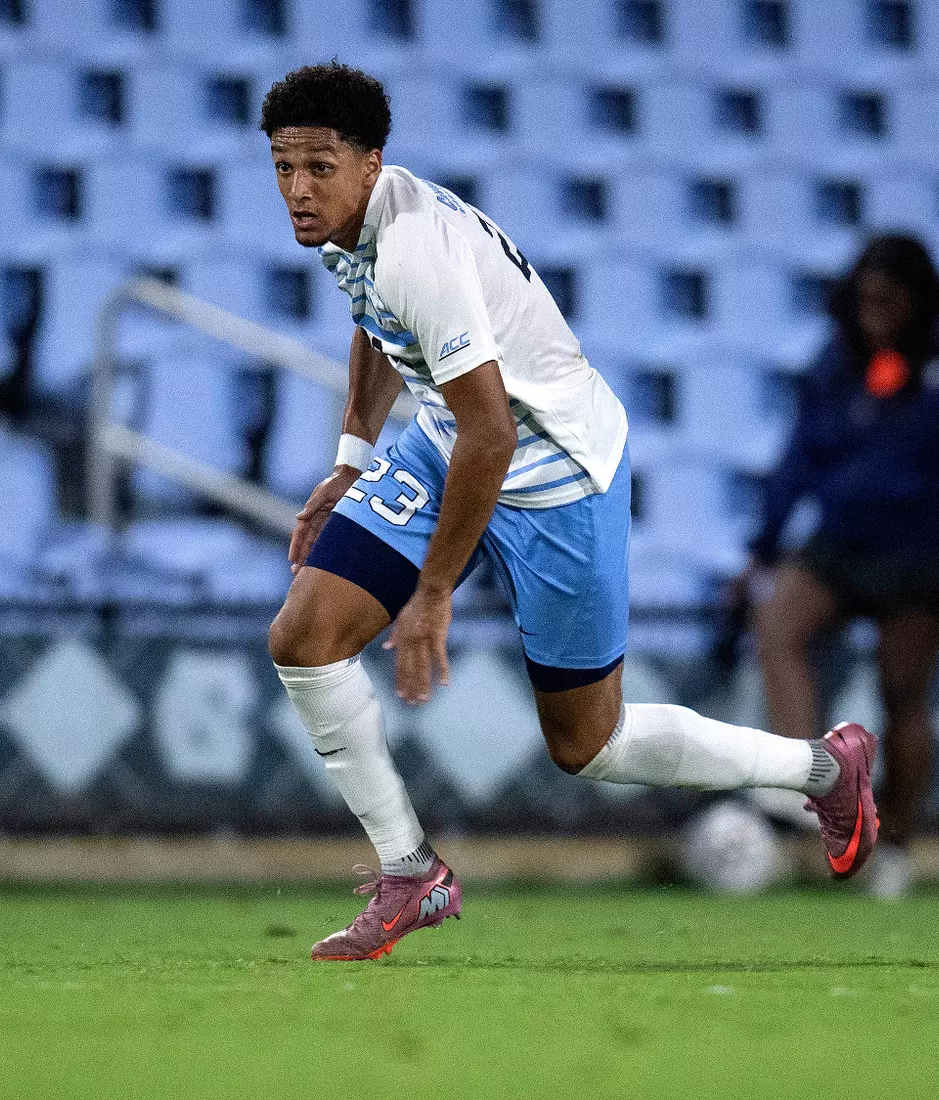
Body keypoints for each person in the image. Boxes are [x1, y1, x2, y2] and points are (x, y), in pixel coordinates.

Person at [260, 63, 880, 962]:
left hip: (556, 469)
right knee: (304, 636)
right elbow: (376, 320)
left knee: (590, 744)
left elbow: (493, 434)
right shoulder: (358, 229)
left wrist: (433, 592)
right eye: (284, 167)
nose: (298, 189)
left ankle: (822, 768)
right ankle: (410, 872)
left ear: (371, 163)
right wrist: (350, 463)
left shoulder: (415, 249)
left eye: (318, 167)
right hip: (448, 442)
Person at [744, 234, 939, 900]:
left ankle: (893, 845)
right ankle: (804, 786)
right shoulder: (836, 360)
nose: (875, 315)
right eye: (866, 300)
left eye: (889, 301)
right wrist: (764, 544)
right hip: (842, 539)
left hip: (923, 552)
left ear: (919, 301)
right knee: (779, 625)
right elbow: (800, 453)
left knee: (904, 695)